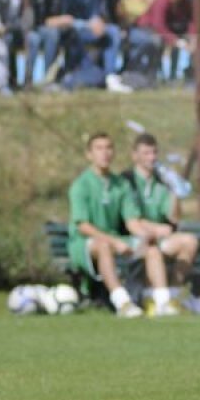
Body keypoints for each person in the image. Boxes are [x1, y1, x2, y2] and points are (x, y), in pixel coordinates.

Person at [121, 132, 200, 314]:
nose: (151, 158)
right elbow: (132, 221)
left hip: (158, 237)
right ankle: (161, 301)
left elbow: (174, 218)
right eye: (146, 153)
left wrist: (175, 192)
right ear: (134, 155)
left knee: (189, 241)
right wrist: (157, 229)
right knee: (151, 249)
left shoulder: (160, 182)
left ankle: (174, 293)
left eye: (154, 153)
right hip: (133, 239)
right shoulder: (126, 181)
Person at [66, 133, 151, 318]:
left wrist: (145, 237)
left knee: (151, 249)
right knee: (103, 246)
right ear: (89, 154)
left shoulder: (120, 184)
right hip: (84, 243)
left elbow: (131, 221)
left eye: (109, 147)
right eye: (99, 148)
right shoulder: (81, 185)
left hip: (114, 238)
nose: (105, 153)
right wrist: (114, 242)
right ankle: (123, 303)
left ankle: (159, 300)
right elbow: (83, 226)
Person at [25, 0, 65, 85]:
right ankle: (27, 80)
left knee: (52, 34)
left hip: (46, 27)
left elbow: (57, 11)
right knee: (33, 39)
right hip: (29, 27)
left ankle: (49, 79)